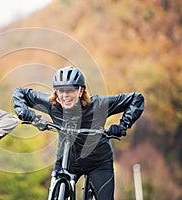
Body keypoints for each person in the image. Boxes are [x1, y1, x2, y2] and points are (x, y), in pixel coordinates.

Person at [12, 66, 144, 199]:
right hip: (67, 160)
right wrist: (24, 112)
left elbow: (136, 99)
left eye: (70, 90)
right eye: (60, 91)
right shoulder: (52, 105)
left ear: (81, 91)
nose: (65, 96)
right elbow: (20, 92)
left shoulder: (98, 105)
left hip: (98, 162)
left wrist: (122, 126)